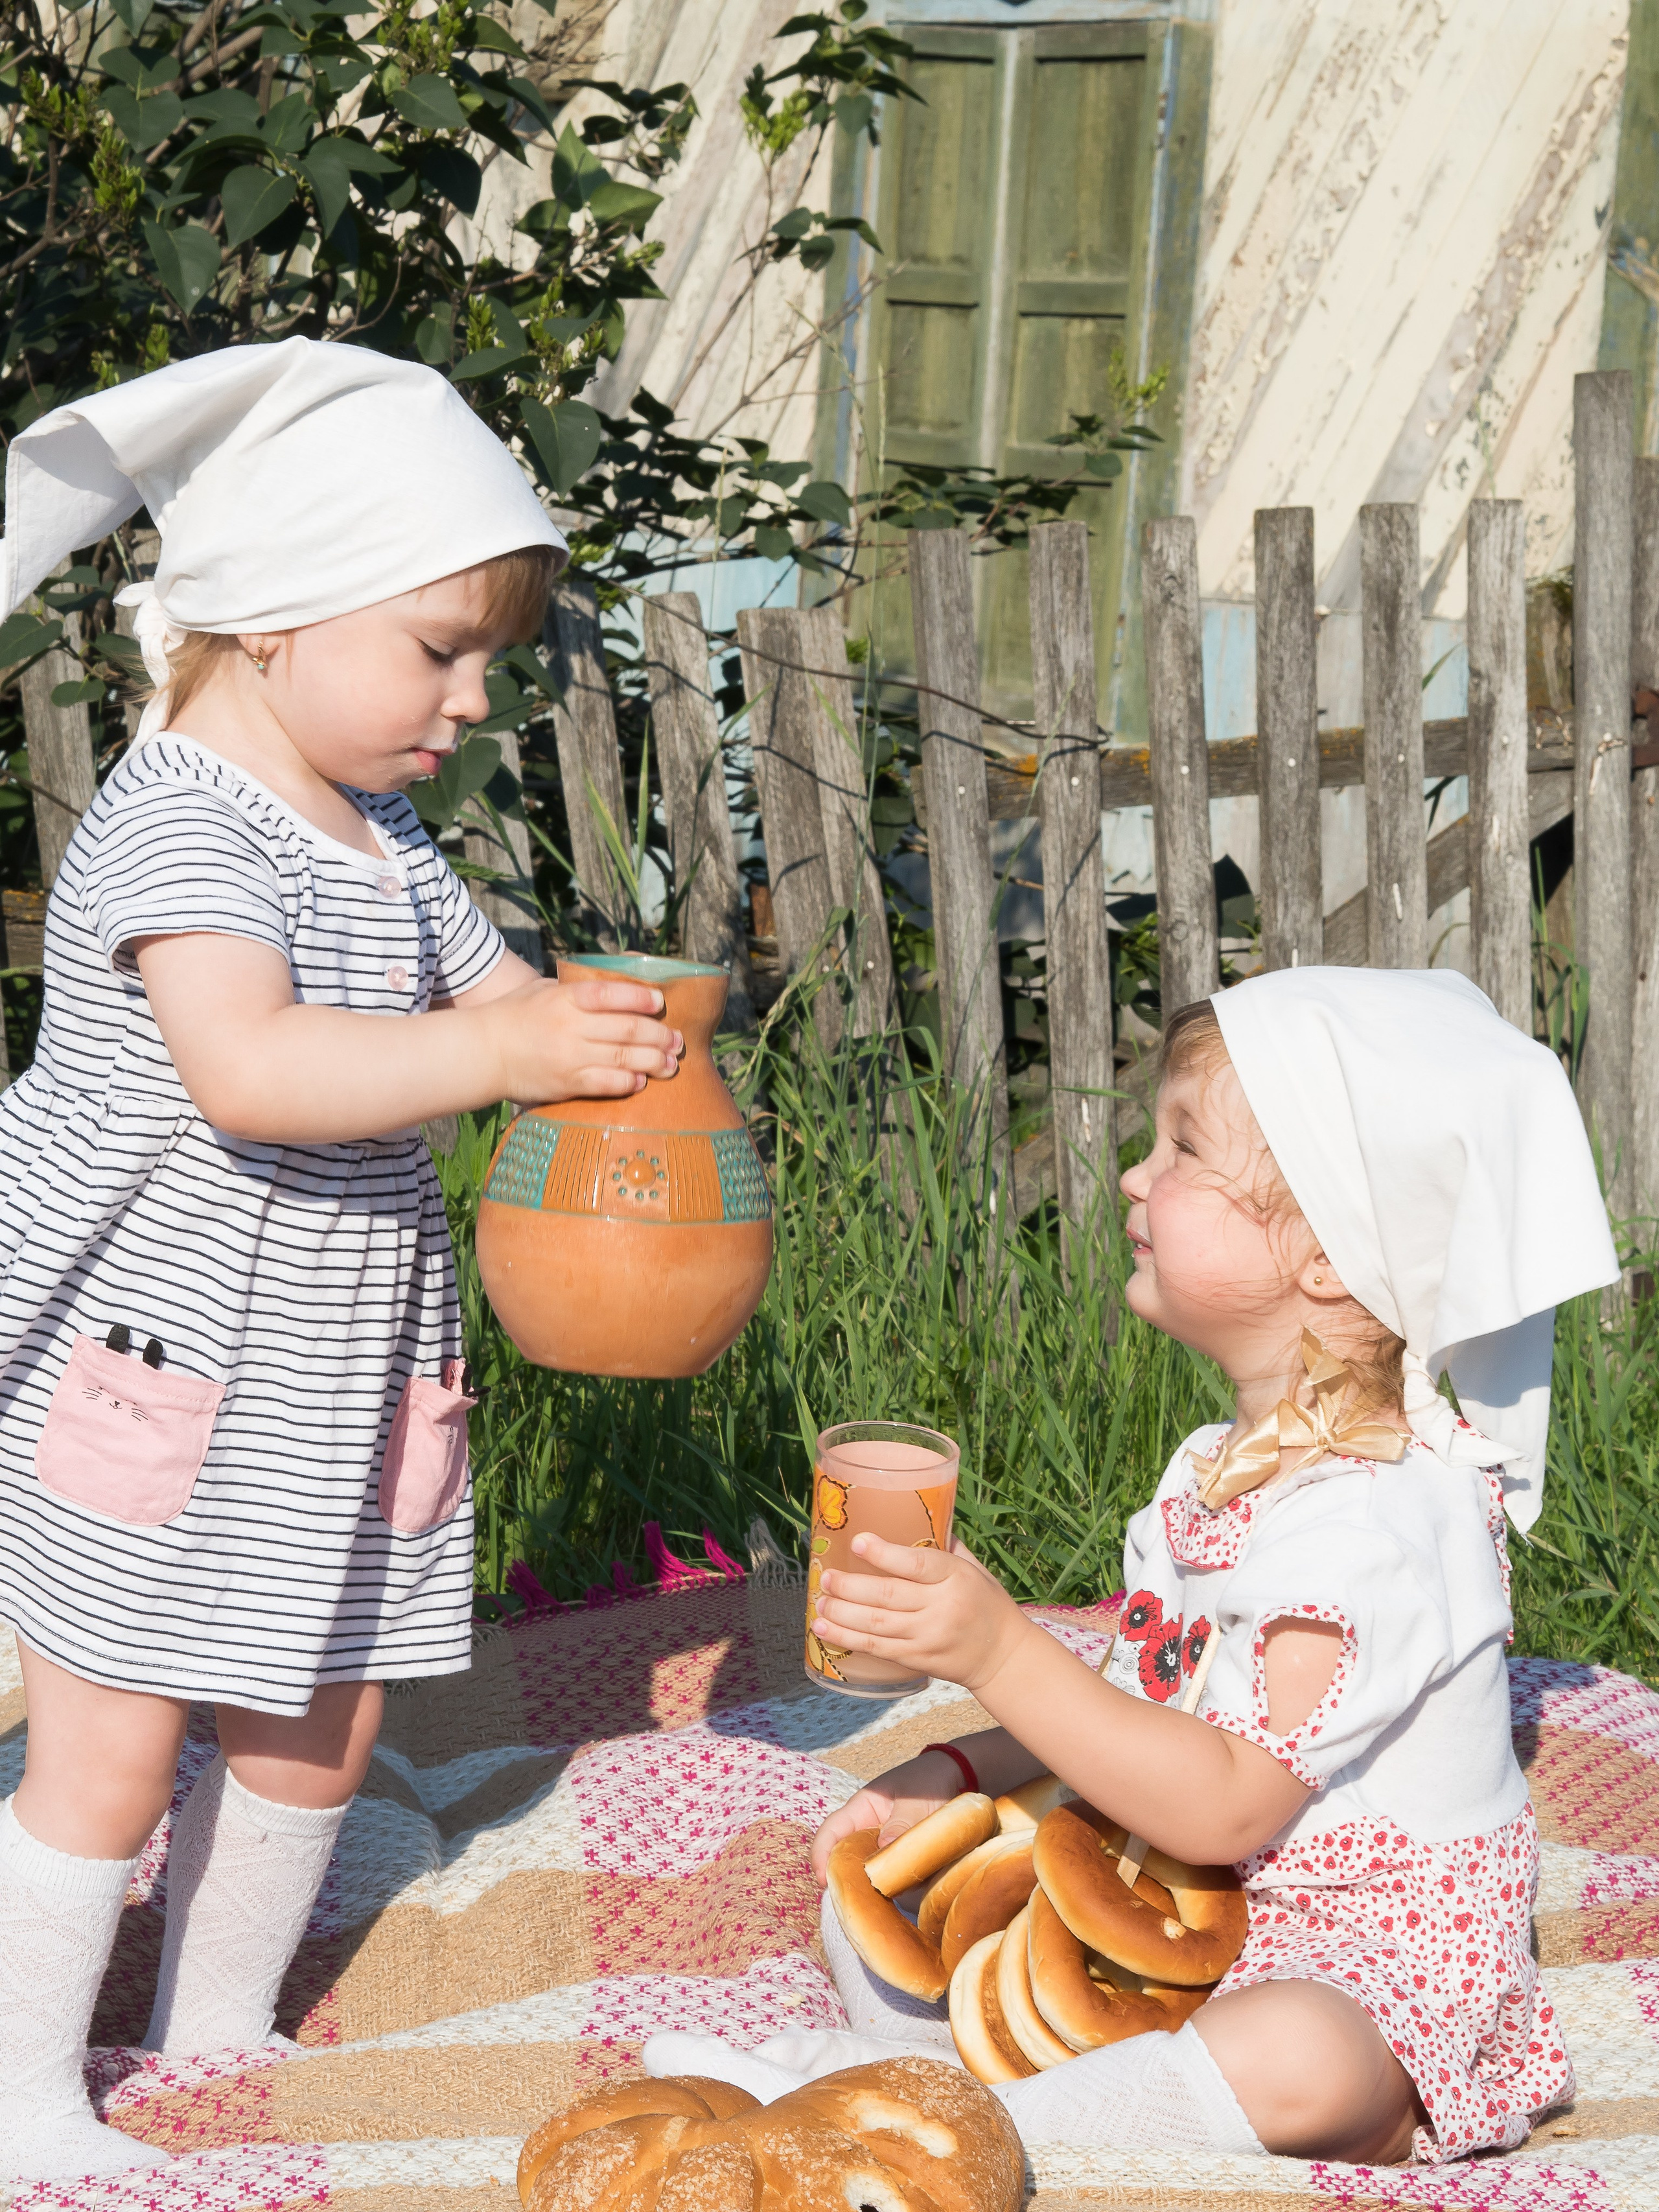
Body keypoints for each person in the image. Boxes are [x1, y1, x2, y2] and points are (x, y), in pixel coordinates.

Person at [0, 339, 684, 2183]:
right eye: (438, 648)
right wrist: (500, 1051)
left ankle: (214, 2031)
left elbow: (498, 1000)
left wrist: (592, 1039)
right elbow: (255, 1068)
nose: (471, 699)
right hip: (166, 1370)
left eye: (486, 661)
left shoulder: (380, 835)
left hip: (342, 1370)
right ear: (277, 613)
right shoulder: (179, 820)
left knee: (323, 1715)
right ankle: (18, 2098)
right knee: (110, 1743)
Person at [645, 967, 1618, 2167]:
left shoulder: (1374, 1525)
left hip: (1363, 1965)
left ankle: (926, 2112)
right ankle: (940, 2066)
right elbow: (1140, 1712)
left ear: (1326, 1252)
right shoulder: (1212, 1468)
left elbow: (1225, 1801)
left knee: (1302, 2052)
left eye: (1183, 1148)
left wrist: (998, 1652)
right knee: (884, 1876)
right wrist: (955, 1767)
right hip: (1183, 1908)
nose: (1133, 1176)